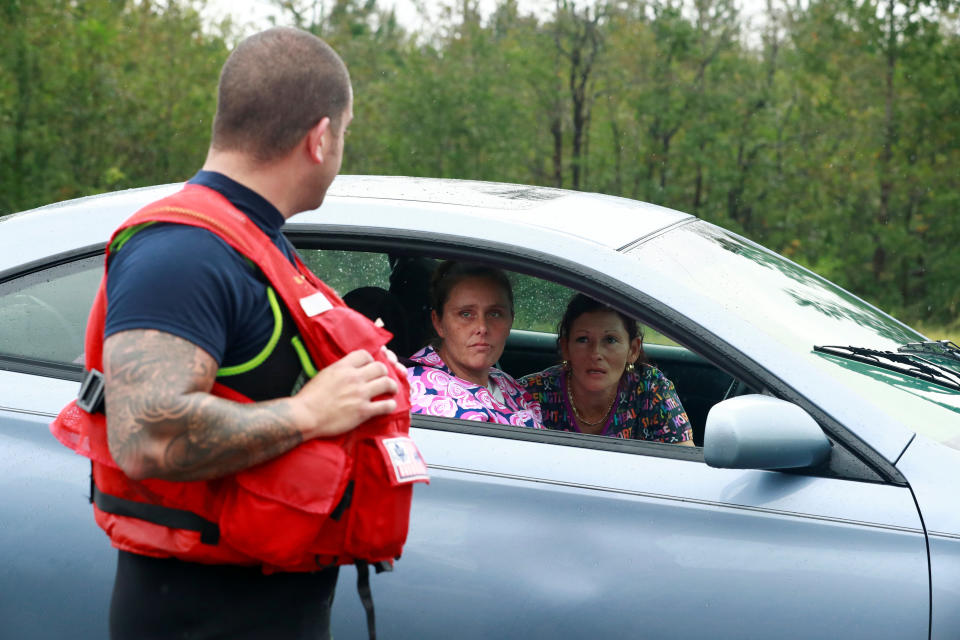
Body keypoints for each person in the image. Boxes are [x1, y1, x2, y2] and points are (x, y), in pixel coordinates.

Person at [50, 27, 417, 640]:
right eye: (345, 133)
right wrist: (307, 413)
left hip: (264, 599)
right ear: (320, 138)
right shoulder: (184, 251)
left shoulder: (251, 238)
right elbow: (146, 436)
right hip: (201, 613)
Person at [521, 294, 693, 444]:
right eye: (583, 339)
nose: (596, 353)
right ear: (566, 348)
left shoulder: (651, 389)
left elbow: (684, 469)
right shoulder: (530, 394)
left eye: (610, 340)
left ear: (633, 350)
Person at [407, 261, 543, 428]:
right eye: (466, 314)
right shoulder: (420, 393)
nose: (482, 328)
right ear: (439, 323)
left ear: (510, 321)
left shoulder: (504, 382)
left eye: (495, 313)